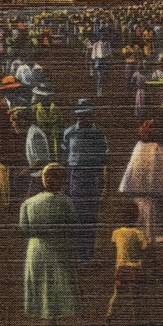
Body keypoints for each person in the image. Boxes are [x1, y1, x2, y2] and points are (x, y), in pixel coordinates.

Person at [19, 164, 79, 326]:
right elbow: (73, 226)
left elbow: (25, 230)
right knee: (53, 291)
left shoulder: (28, 203)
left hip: (35, 251)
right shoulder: (65, 202)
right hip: (57, 250)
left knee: (43, 292)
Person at [62, 98, 110, 264]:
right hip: (74, 176)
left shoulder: (98, 134)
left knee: (90, 218)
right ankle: (75, 255)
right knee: (74, 216)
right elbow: (64, 156)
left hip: (92, 176)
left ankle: (86, 256)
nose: (83, 118)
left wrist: (104, 184)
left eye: (87, 114)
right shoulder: (69, 133)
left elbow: (105, 160)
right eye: (81, 115)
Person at [118, 119, 163, 245]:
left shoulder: (138, 147)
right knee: (152, 229)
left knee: (145, 227)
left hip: (142, 196)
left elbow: (130, 173)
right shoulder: (157, 149)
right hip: (154, 197)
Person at [106, 202, 149, 326]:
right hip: (134, 267)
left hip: (120, 267)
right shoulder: (138, 233)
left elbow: (114, 246)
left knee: (117, 293)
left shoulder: (117, 233)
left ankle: (109, 313)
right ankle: (137, 319)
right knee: (136, 295)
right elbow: (144, 248)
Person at [0, 75, 23, 209]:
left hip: (16, 144)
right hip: (3, 145)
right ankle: (7, 203)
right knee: (5, 175)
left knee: (16, 173)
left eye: (14, 90)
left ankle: (15, 200)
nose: (12, 93)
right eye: (10, 90)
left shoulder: (21, 104)